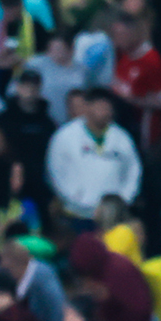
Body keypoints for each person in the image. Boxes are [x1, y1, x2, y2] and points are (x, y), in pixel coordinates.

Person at [45, 88, 141, 223]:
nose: (105, 111)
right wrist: (74, 198)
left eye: (108, 107)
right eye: (101, 106)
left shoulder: (122, 137)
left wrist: (123, 200)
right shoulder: (65, 135)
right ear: (88, 107)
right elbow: (54, 171)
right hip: (74, 214)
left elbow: (133, 172)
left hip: (112, 217)